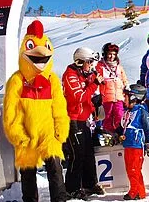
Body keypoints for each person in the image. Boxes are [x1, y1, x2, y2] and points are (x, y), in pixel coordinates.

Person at [3, 20, 70, 202]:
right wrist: (19, 135)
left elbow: (59, 108)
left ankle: (60, 199)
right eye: (32, 47)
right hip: (27, 133)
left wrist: (60, 130)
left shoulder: (52, 79)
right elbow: (11, 113)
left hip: (48, 134)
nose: (40, 54)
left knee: (56, 170)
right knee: (28, 175)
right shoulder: (17, 80)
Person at [62, 47, 105, 200]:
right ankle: (71, 189)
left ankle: (89, 184)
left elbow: (89, 95)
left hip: (84, 119)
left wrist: (95, 105)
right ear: (80, 62)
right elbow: (78, 97)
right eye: (90, 62)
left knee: (88, 153)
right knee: (77, 155)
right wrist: (94, 85)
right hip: (73, 120)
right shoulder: (70, 75)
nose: (92, 66)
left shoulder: (84, 74)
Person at [117, 84, 149, 200]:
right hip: (128, 144)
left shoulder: (142, 112)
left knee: (134, 170)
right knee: (130, 170)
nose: (124, 100)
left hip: (137, 145)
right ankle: (140, 192)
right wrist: (117, 134)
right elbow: (122, 127)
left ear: (134, 98)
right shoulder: (127, 112)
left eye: (126, 97)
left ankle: (135, 192)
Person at [96, 43, 128, 133]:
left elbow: (124, 80)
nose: (111, 56)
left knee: (120, 116)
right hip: (106, 98)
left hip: (119, 97)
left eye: (114, 54)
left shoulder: (119, 67)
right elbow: (96, 80)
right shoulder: (100, 66)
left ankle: (121, 133)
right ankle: (108, 134)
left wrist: (126, 89)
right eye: (110, 54)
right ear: (105, 54)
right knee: (108, 117)